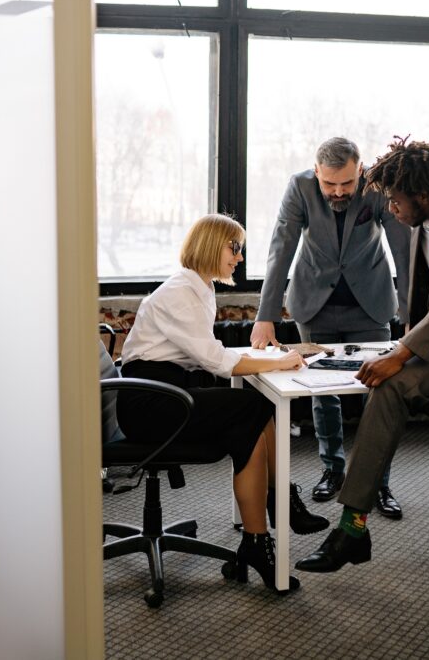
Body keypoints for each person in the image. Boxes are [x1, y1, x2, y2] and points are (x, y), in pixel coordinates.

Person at [296, 136, 429, 573]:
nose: (390, 210)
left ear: (421, 194)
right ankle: (352, 528)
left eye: (394, 201)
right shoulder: (422, 220)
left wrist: (402, 351)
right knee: (389, 389)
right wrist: (400, 350)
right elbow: (423, 294)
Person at [118, 213, 330, 594]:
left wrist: (270, 358)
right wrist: (276, 361)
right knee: (252, 407)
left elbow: (209, 354)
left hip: (167, 392)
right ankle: (281, 503)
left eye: (240, 249)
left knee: (244, 422)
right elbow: (214, 361)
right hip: (149, 404)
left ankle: (256, 541)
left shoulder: (199, 288)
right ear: (210, 245)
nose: (239, 257)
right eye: (234, 247)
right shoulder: (180, 293)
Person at [250, 137, 411, 518]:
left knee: (380, 395)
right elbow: (281, 249)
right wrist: (265, 313)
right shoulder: (300, 188)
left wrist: (412, 312)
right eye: (329, 184)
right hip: (314, 306)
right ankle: (333, 470)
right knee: (322, 392)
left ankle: (378, 481)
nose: (338, 192)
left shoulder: (377, 186)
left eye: (346, 184)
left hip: (370, 305)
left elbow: (403, 251)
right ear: (316, 172)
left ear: (360, 171)